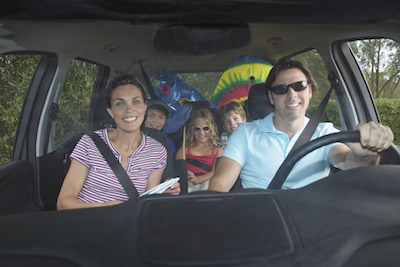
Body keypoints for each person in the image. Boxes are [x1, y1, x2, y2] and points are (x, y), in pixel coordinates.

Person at [209, 60, 394, 192]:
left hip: (312, 222)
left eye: (299, 86)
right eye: (281, 89)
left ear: (310, 91)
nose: (291, 95)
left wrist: (366, 155)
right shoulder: (245, 133)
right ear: (271, 98)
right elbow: (219, 185)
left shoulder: (326, 133)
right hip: (260, 219)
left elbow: (350, 164)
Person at [57, 74, 180, 210]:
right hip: (87, 223)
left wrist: (163, 193)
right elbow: (63, 203)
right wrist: (105, 207)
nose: (129, 110)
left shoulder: (157, 151)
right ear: (110, 110)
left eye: (136, 102)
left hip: (127, 225)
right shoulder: (89, 143)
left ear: (145, 106)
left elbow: (147, 203)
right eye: (120, 103)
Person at [175, 109, 224, 192]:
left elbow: (216, 172)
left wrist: (198, 179)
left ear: (212, 129)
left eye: (205, 128)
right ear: (192, 130)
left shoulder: (217, 150)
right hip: (187, 184)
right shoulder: (184, 149)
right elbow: (179, 170)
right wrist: (187, 174)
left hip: (208, 184)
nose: (201, 132)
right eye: (197, 129)